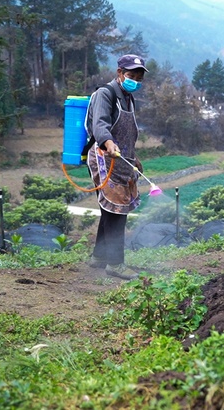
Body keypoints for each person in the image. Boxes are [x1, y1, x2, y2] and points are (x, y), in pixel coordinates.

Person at [85, 54, 148, 279]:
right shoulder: (106, 93)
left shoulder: (128, 97)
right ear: (120, 72)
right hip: (104, 156)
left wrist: (134, 158)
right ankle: (115, 263)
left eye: (139, 78)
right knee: (117, 209)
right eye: (131, 76)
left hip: (122, 158)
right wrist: (109, 143)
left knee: (110, 209)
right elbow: (100, 124)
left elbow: (128, 133)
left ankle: (99, 257)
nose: (136, 81)